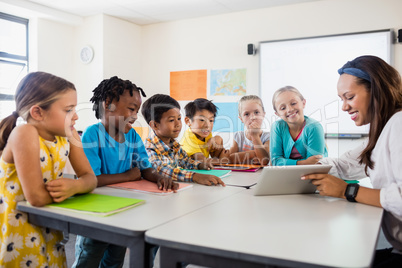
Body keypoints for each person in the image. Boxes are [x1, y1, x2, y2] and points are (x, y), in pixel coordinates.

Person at [301, 55, 402, 267]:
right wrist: (309, 168)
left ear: (376, 90)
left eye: (349, 97)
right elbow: (345, 164)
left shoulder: (399, 124)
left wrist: (348, 191)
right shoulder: (383, 129)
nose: (344, 107)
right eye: (341, 99)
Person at [73, 77, 177, 268]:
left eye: (136, 111)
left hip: (123, 209)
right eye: (131, 109)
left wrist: (160, 177)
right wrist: (127, 176)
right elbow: (91, 179)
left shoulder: (133, 135)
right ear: (108, 105)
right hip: (96, 212)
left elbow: (145, 169)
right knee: (88, 259)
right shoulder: (92, 134)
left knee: (114, 261)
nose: (135, 115)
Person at [0, 72, 97, 267]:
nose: (76, 116)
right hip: (18, 230)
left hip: (50, 226)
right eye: (69, 110)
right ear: (38, 113)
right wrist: (74, 188)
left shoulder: (69, 136)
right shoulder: (24, 133)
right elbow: (36, 197)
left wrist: (75, 186)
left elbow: (90, 178)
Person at [141, 94, 225, 186]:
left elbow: (185, 161)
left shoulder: (174, 144)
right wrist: (195, 176)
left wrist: (199, 165)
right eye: (171, 120)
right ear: (155, 125)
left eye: (179, 118)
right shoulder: (149, 147)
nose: (178, 124)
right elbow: (161, 170)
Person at [270, 86, 327, 166]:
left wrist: (285, 162)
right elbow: (275, 161)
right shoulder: (277, 127)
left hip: (312, 175)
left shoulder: (314, 127)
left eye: (293, 103)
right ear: (278, 114)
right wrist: (303, 163)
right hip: (285, 175)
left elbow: (314, 164)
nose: (289, 109)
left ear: (303, 103)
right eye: (283, 108)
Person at [180, 98, 227, 164]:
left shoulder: (206, 133)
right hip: (187, 172)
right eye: (202, 120)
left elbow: (216, 157)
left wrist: (219, 139)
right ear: (188, 121)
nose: (207, 125)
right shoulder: (189, 138)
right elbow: (202, 161)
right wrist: (222, 161)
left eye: (211, 120)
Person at [228, 95, 270, 165]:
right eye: (247, 114)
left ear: (263, 115)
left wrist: (255, 136)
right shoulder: (238, 136)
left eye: (256, 112)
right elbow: (229, 159)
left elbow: (264, 161)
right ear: (241, 119)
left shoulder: (268, 137)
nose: (252, 117)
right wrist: (252, 154)